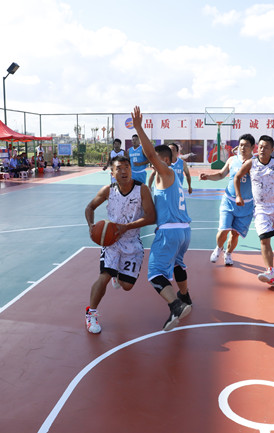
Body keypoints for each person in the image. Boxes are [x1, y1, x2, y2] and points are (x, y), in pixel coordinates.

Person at [132, 106, 193, 331]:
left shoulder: (167, 172)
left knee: (155, 273)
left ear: (165, 160)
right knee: (177, 264)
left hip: (170, 232)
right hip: (184, 231)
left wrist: (139, 128)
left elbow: (150, 154)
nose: (151, 162)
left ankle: (176, 306)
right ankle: (185, 297)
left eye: (156, 159)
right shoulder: (165, 178)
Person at [83, 155, 156, 334]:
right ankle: (91, 313)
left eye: (126, 167)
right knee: (104, 276)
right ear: (112, 173)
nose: (124, 171)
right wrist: (91, 226)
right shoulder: (108, 191)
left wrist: (127, 227)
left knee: (127, 286)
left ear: (131, 169)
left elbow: (151, 217)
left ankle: (118, 275)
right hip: (112, 242)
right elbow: (90, 207)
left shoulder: (142, 190)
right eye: (119, 168)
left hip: (132, 241)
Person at [235, 135, 274, 285]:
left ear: (272, 149)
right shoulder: (251, 163)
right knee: (264, 240)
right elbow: (237, 177)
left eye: (266, 147)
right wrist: (238, 196)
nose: (262, 149)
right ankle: (270, 272)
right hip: (261, 209)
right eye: (260, 147)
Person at [200, 133, 255, 266]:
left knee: (235, 234)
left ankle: (228, 254)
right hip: (229, 200)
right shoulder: (232, 160)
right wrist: (208, 177)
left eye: (246, 145)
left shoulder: (255, 163)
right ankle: (218, 248)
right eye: (241, 145)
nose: (243, 148)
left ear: (252, 147)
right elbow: (221, 174)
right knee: (223, 229)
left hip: (246, 204)